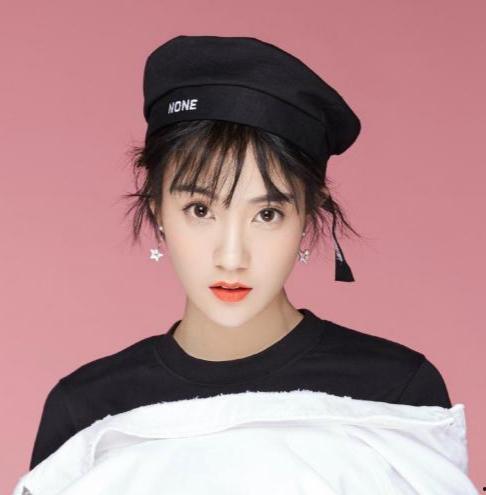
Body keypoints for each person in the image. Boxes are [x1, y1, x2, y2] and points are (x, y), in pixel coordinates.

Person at [28, 35, 452, 472]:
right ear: (157, 208)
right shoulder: (88, 410)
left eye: (267, 214)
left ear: (308, 214)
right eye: (200, 210)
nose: (232, 258)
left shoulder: (393, 393)